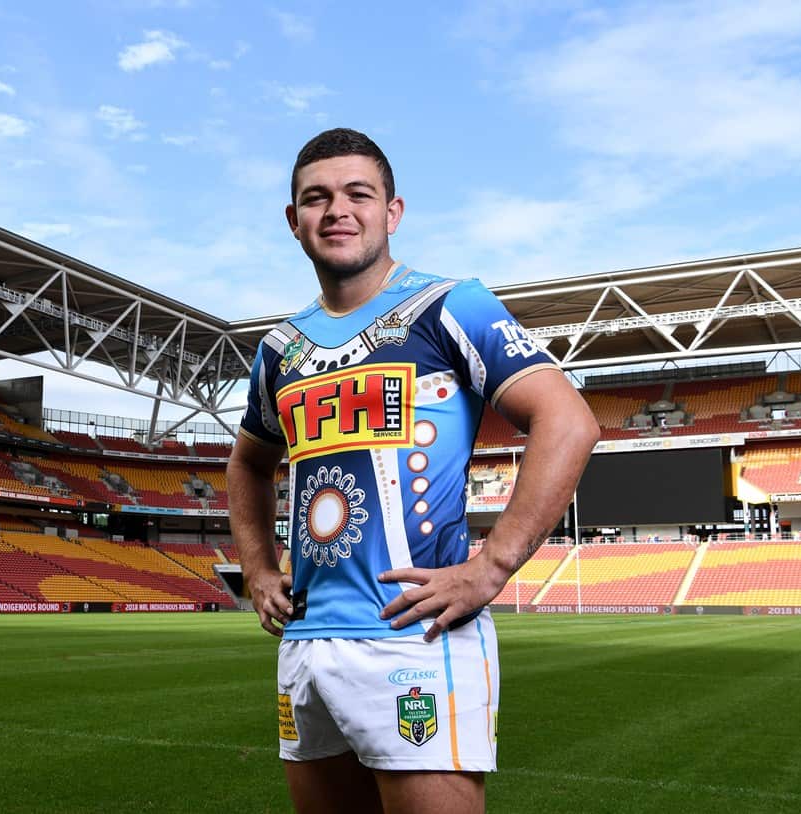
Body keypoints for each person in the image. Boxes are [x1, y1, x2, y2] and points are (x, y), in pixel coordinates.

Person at [227, 128, 600, 814]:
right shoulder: (279, 348)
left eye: (358, 194)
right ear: (294, 220)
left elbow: (568, 420)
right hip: (306, 642)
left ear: (392, 212)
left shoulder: (449, 304)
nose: (337, 210)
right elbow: (249, 462)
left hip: (416, 638)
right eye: (317, 198)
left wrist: (491, 567)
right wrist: (257, 567)